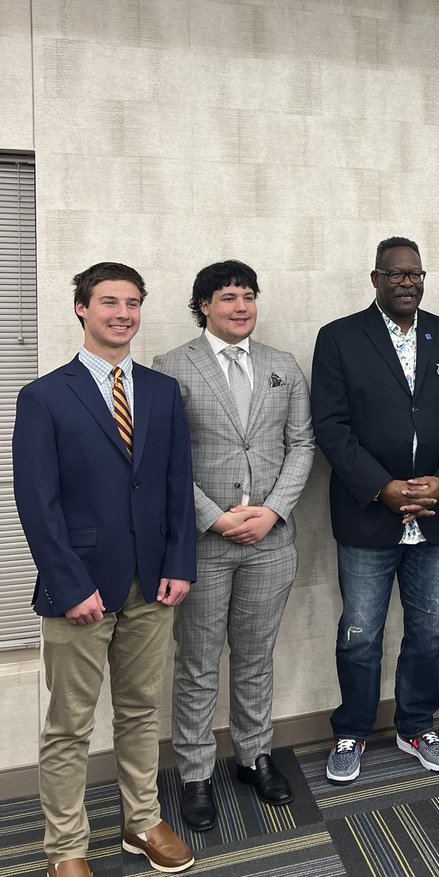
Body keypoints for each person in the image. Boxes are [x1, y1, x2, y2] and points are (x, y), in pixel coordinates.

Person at [13, 262, 196, 877]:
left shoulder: (163, 391)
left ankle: (140, 820)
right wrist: (70, 585)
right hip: (80, 590)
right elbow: (37, 503)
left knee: (141, 710)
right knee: (69, 724)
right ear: (82, 309)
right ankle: (65, 849)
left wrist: (179, 563)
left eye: (133, 303)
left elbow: (176, 486)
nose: (123, 314)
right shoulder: (44, 396)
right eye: (109, 302)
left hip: (154, 584)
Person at [312, 237, 439, 783]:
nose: (407, 282)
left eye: (415, 274)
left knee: (430, 631)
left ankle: (416, 725)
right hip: (368, 513)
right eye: (396, 273)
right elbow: (331, 427)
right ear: (376, 279)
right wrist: (381, 486)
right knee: (361, 632)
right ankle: (352, 730)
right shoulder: (338, 338)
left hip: (434, 513)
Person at [153, 261, 315, 831]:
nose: (241, 307)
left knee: (254, 656)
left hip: (271, 539)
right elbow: (165, 458)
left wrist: (272, 512)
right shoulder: (171, 367)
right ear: (204, 306)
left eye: (248, 296)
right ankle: (195, 773)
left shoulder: (282, 365)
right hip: (203, 543)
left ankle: (254, 755)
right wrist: (216, 518)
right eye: (228, 297)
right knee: (197, 662)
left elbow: (302, 444)